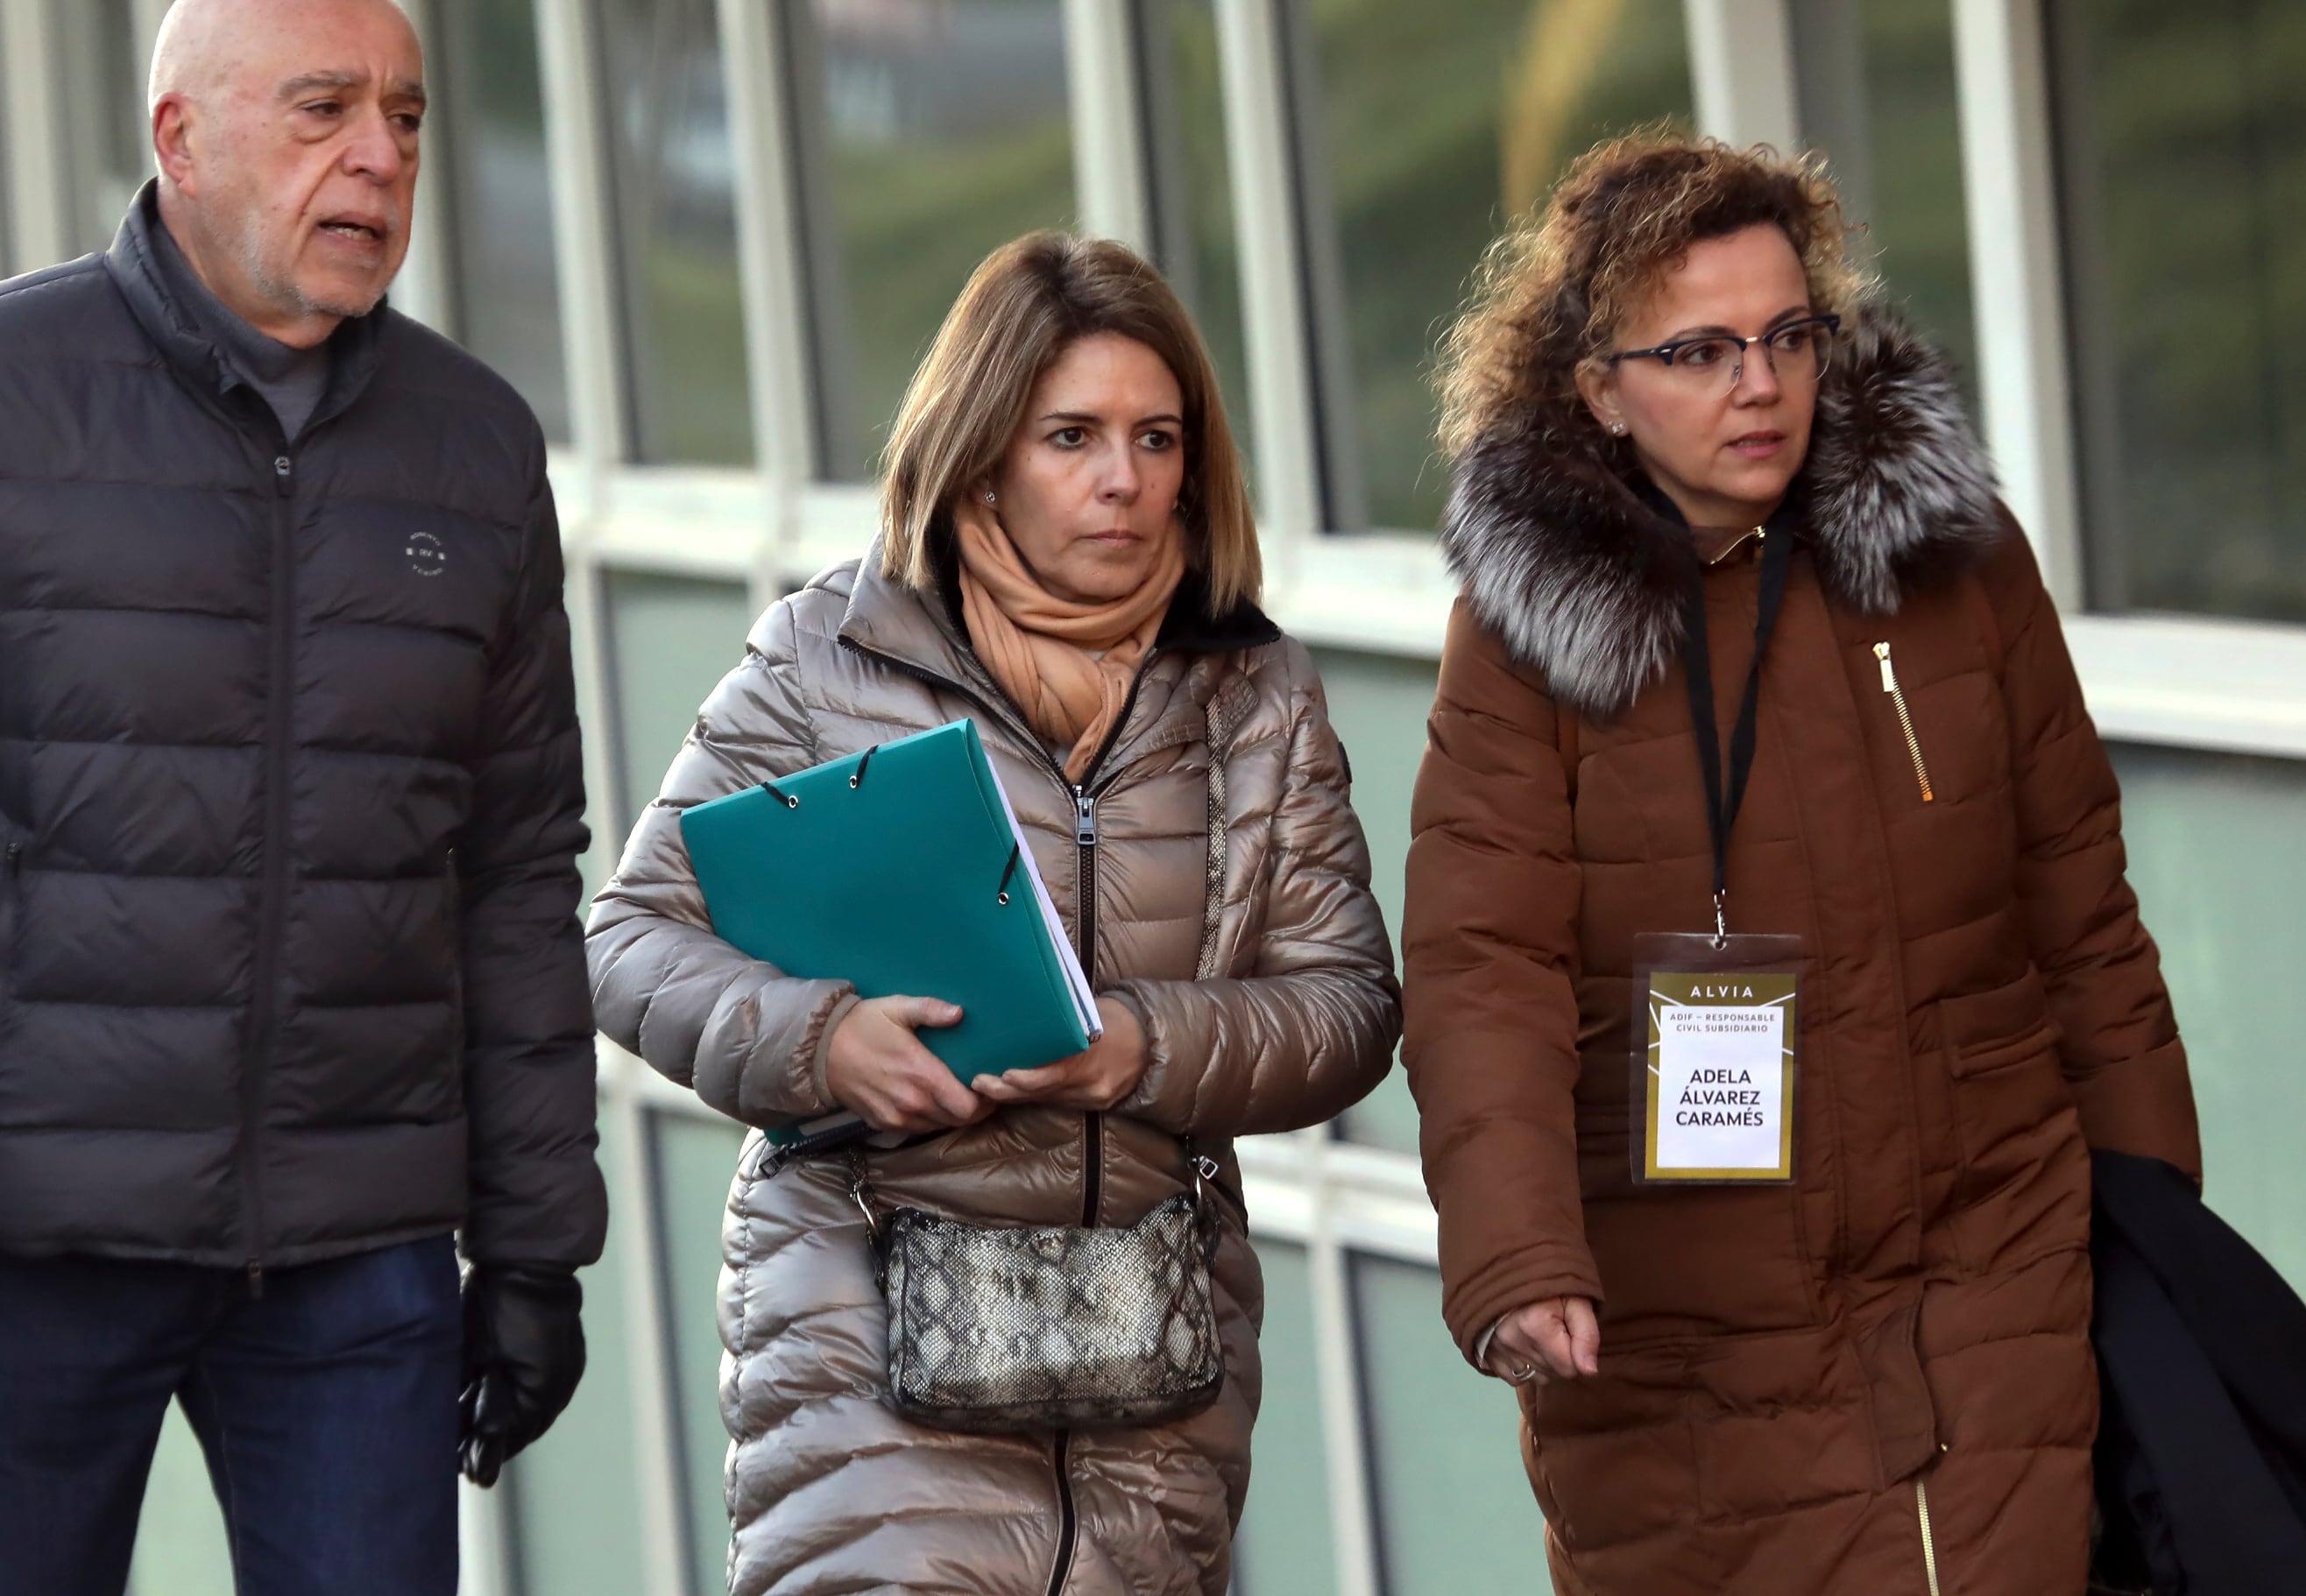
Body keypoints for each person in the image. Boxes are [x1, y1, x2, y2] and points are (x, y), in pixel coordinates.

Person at [1402, 131, 2200, 1594]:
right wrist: (1516, 1252)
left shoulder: (1956, 562)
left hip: (1996, 1276)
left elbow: (2085, 909)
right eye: (1700, 350)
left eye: (1787, 335)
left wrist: (2159, 1233)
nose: (1759, 383)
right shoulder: (1525, 639)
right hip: (1686, 1331)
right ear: (1598, 392)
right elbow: (1480, 966)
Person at [588, 231, 1401, 1596]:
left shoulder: (1256, 693)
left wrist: (1137, 1045)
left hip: (1152, 1374)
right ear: (980, 450)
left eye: (1158, 437)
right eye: (1071, 434)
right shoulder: (827, 658)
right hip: (868, 1346)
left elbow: (1347, 1009)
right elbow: (628, 940)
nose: (1123, 479)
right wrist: (820, 1039)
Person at [0, 3, 603, 1592]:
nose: (380, 155)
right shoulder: (12, 394)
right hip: (37, 1240)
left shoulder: (476, 446)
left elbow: (521, 863)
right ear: (179, 137)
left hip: (358, 1262)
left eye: (403, 116)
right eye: (324, 108)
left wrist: (537, 1240)